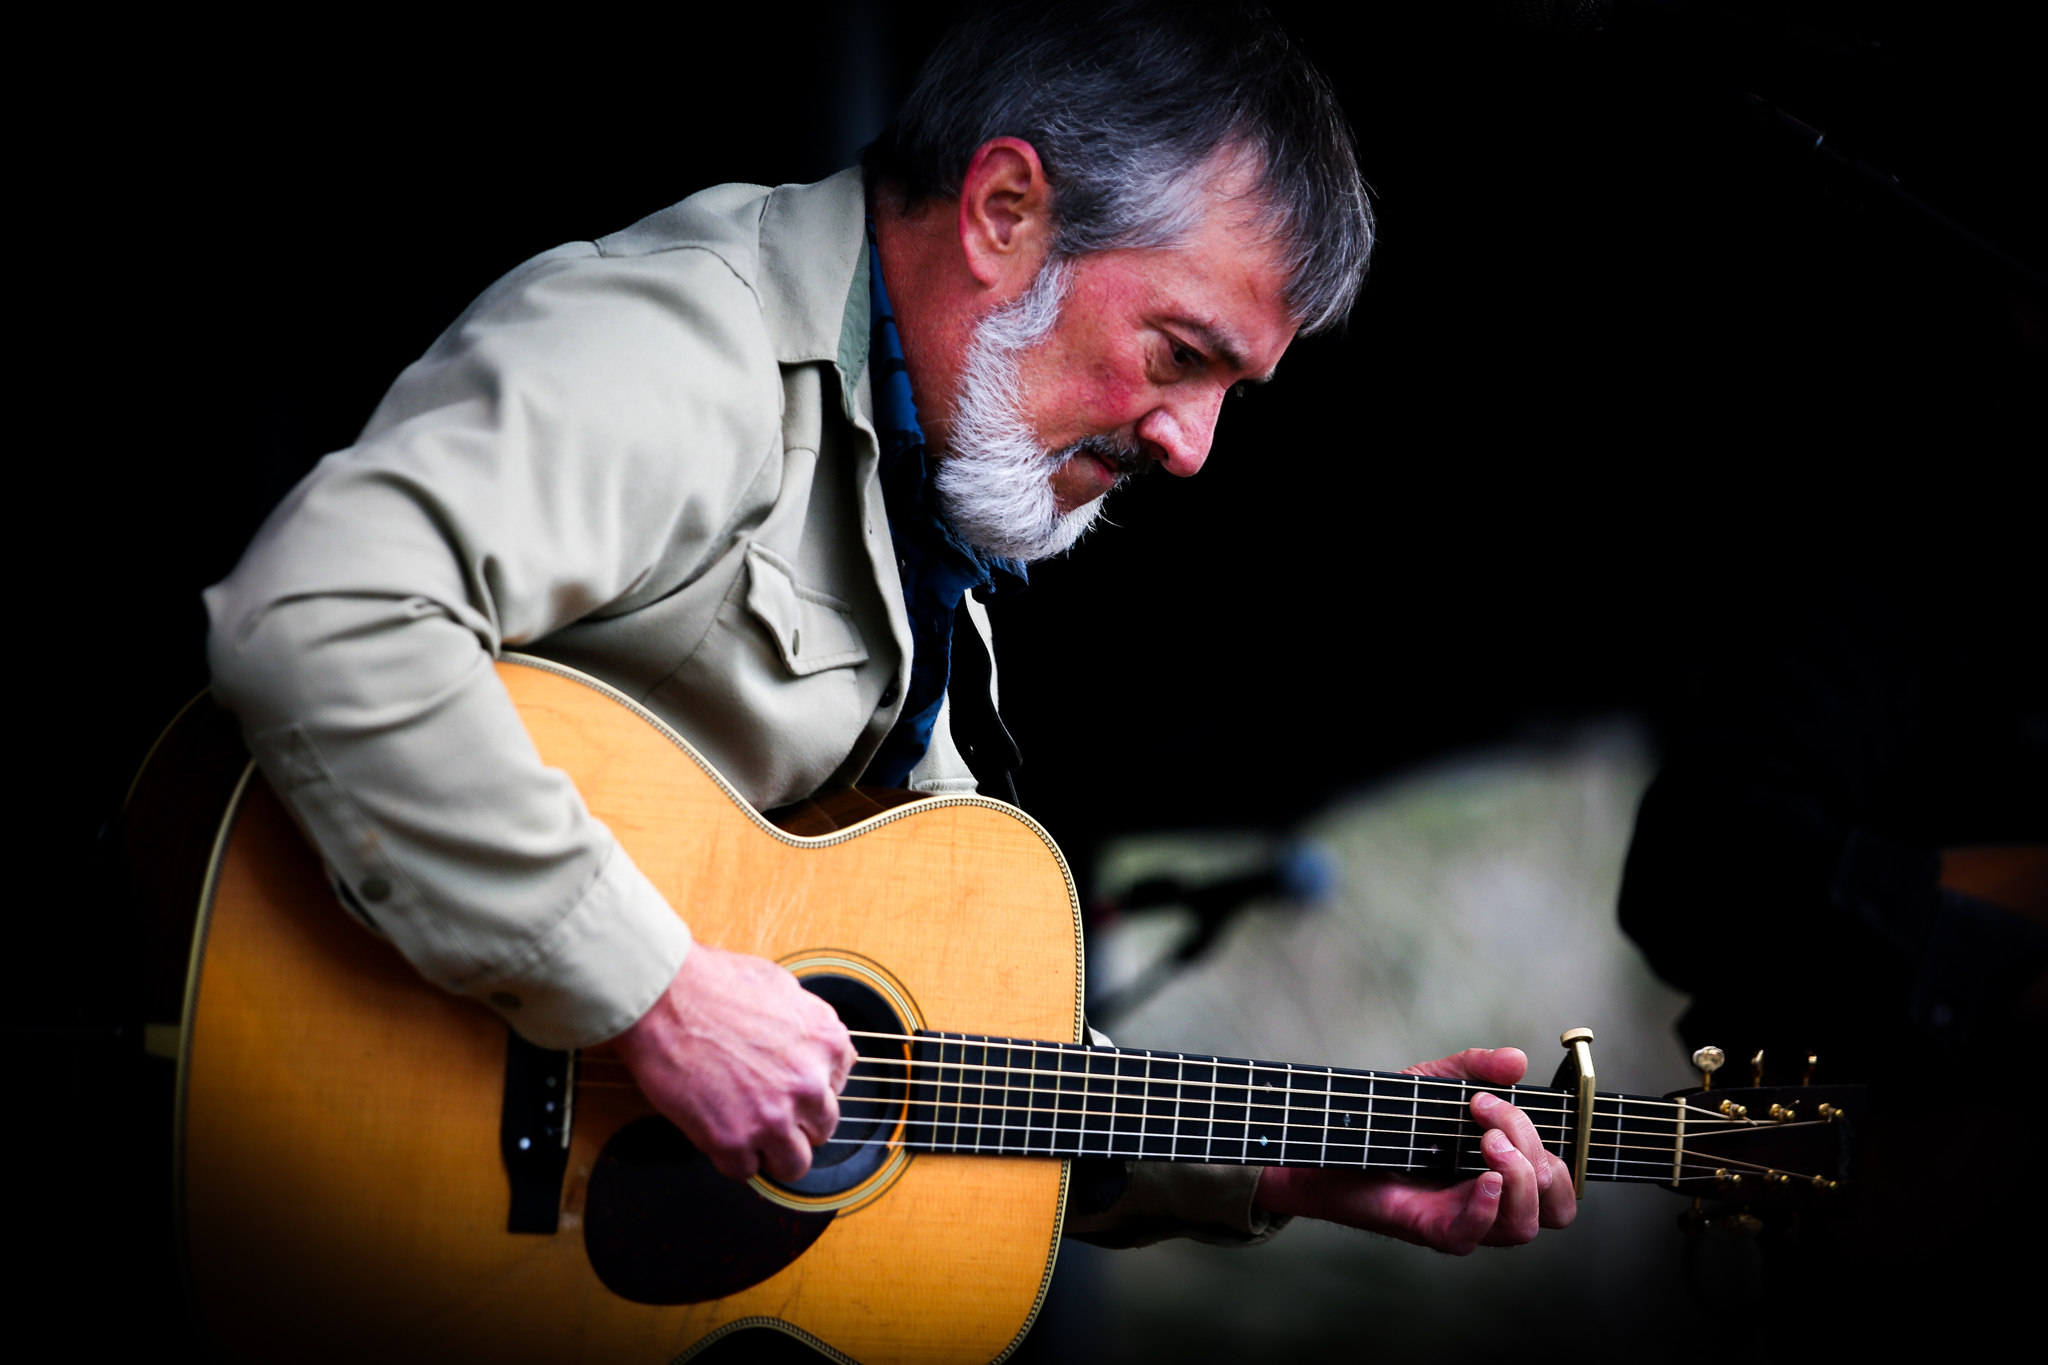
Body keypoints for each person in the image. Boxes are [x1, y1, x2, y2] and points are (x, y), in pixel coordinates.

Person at [204, 0, 1573, 1259]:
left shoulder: (920, 506)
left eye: (1234, 389)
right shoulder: (693, 348)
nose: (1194, 443)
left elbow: (943, 1045)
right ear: (1004, 211)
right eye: (1179, 353)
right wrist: (654, 993)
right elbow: (323, 609)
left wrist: (1283, 1167)